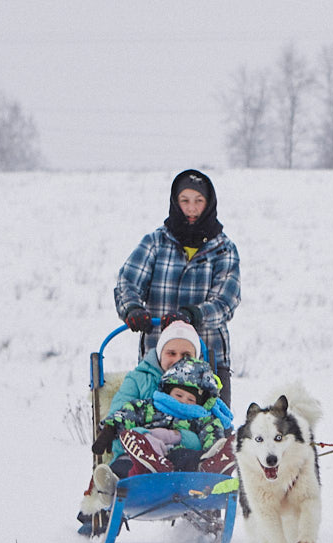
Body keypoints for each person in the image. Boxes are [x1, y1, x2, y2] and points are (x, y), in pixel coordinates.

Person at [114, 169, 240, 406]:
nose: (191, 209)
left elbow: (226, 303)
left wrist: (192, 315)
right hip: (159, 359)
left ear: (209, 204)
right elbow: (128, 282)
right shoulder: (155, 243)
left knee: (213, 433)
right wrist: (132, 309)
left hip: (207, 358)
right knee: (152, 427)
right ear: (175, 202)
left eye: (198, 201)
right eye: (185, 201)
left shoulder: (224, 249)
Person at [78, 322, 219, 521]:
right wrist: (142, 437)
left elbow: (209, 425)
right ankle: (112, 488)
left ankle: (211, 476)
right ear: (160, 353)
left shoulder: (201, 389)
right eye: (171, 353)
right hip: (136, 454)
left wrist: (180, 438)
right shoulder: (138, 380)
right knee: (123, 466)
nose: (178, 360)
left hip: (181, 459)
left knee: (192, 461)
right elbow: (124, 414)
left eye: (186, 355)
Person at [92, 357, 236, 478]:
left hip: (176, 465)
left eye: (190, 400)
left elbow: (211, 432)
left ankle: (211, 466)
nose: (183, 401)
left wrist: (213, 451)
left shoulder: (200, 418)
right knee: (126, 457)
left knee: (186, 457)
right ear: (167, 392)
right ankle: (109, 485)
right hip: (142, 455)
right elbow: (128, 414)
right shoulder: (151, 407)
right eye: (179, 395)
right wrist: (110, 428)